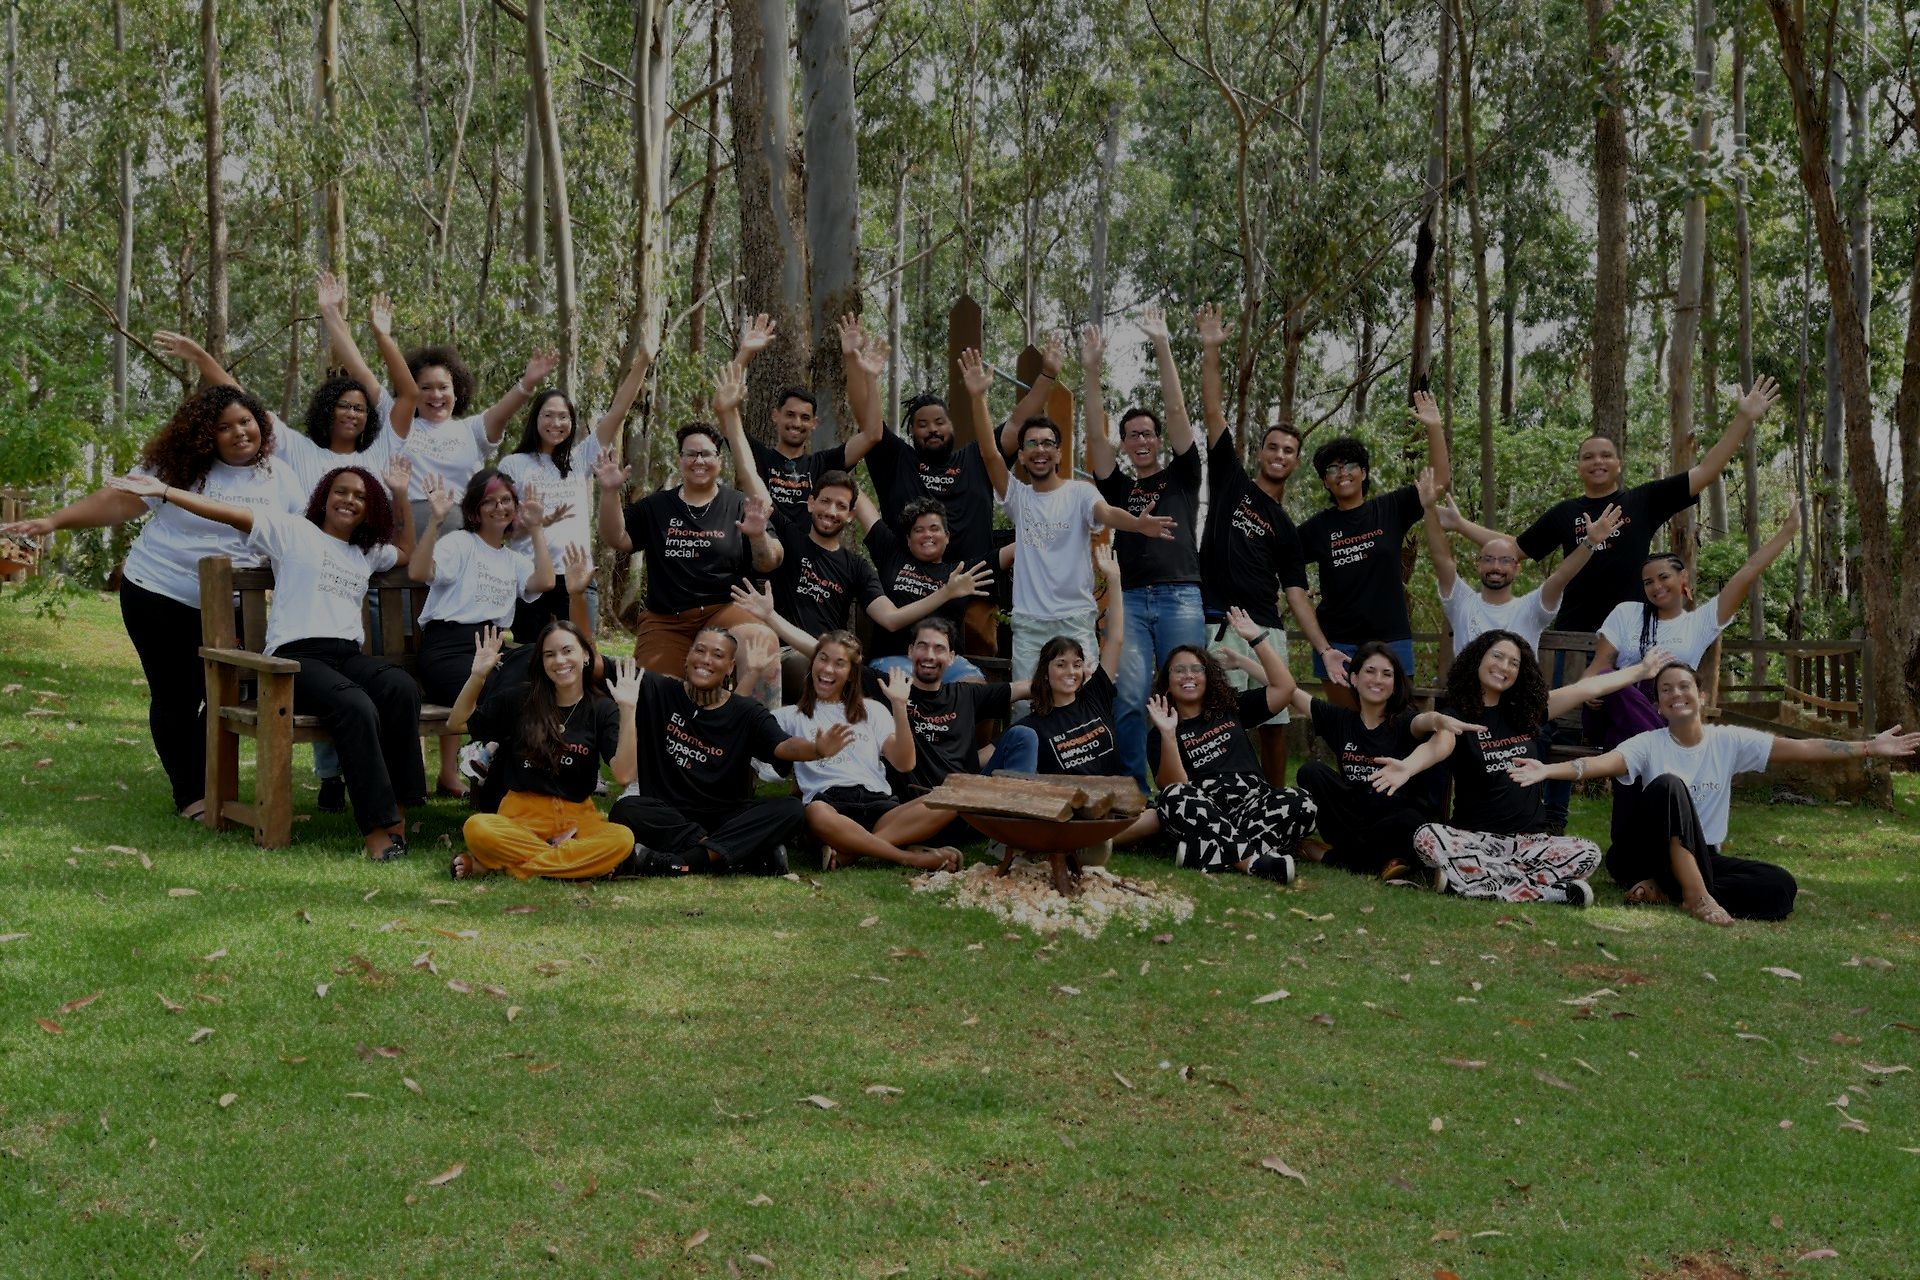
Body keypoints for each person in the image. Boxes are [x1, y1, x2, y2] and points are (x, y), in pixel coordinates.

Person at [1, 385, 310, 820]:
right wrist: (53, 521)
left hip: (237, 603)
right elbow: (116, 504)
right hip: (160, 592)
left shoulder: (280, 475)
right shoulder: (179, 468)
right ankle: (192, 797)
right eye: (224, 427)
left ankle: (213, 782)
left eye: (246, 421)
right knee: (177, 695)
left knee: (234, 693)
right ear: (205, 435)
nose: (240, 432)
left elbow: (300, 535)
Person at [109, 456, 424, 860]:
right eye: (340, 491)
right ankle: (378, 831)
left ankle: (397, 813)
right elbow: (230, 512)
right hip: (297, 661)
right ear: (324, 498)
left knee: (400, 687)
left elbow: (407, 551)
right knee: (355, 705)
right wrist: (165, 491)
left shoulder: (365, 553)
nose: (349, 500)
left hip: (346, 655)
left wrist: (398, 492)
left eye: (360, 496)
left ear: (370, 509)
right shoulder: (292, 531)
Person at [1511, 661, 1920, 924]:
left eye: (1684, 686)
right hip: (1641, 853)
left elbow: (1804, 747)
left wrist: (1869, 746)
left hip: (1702, 855)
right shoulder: (1648, 743)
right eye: (1666, 690)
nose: (1676, 694)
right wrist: (1547, 768)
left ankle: (1665, 889)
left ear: (1702, 696)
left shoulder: (1729, 741)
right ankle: (1696, 898)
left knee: (1780, 886)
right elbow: (1597, 765)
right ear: (1658, 707)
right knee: (1669, 786)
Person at [1446, 377, 1782, 634]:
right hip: (1573, 633)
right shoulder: (1565, 513)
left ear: (1618, 464)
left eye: (1606, 455)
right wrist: (1461, 524)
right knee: (1569, 725)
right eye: (1588, 457)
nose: (1598, 461)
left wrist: (1743, 419)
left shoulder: (1643, 500)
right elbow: (1511, 549)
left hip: (1631, 632)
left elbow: (1706, 471)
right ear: (1578, 467)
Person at [964, 345, 1175, 704]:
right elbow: (988, 453)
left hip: (1076, 620)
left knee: (1085, 708)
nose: (1040, 449)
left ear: (1059, 453)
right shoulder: (1018, 497)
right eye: (1031, 443)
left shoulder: (1079, 492)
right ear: (1024, 454)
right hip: (1030, 625)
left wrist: (1137, 525)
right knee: (1030, 711)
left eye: (1048, 443)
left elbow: (1107, 513)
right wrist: (978, 398)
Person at [1411, 632, 1678, 905]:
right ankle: (1544, 891)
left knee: (1588, 853)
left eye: (1514, 663)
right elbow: (1432, 743)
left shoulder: (1526, 712)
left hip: (1529, 844)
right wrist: (1408, 765)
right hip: (1475, 840)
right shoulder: (1455, 718)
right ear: (1477, 659)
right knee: (1427, 836)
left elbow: (1588, 689)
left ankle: (1475, 882)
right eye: (1497, 656)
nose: (1504, 666)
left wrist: (1642, 671)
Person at [317, 270, 560, 536]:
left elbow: (503, 412)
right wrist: (330, 311)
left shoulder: (471, 430)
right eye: (426, 388)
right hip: (404, 533)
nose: (436, 395)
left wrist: (527, 383)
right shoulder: (397, 420)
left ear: (457, 392)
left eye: (444, 388)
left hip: (460, 535)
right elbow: (358, 368)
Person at [1073, 311, 1208, 792]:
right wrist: (1091, 369)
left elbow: (1177, 414)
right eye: (1133, 434)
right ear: (1127, 444)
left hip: (1180, 599)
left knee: (1189, 693)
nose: (1142, 440)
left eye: (1148, 433)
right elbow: (1093, 437)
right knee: (1128, 698)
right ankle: (1135, 794)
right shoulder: (1118, 488)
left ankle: (1192, 789)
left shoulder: (1183, 477)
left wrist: (1163, 345)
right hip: (1130, 603)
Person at [864, 340, 1053, 658]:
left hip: (974, 592)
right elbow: (866, 421)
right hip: (908, 593)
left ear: (953, 426)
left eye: (939, 422)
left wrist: (1047, 374)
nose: (932, 429)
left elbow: (1019, 422)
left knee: (975, 675)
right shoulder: (898, 459)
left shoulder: (976, 457)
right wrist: (864, 372)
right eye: (922, 425)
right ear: (912, 432)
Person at [1194, 303, 1316, 788]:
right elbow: (1212, 411)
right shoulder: (1231, 481)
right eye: (1273, 447)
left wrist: (1323, 648)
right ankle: (1206, 791)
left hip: (1266, 630)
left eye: (1289, 451)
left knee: (1274, 722)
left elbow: (1296, 592)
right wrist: (1210, 351)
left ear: (1295, 461)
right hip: (1215, 621)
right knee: (1210, 713)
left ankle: (1274, 799)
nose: (1279, 455)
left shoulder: (1287, 529)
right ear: (1260, 451)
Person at [595, 366, 782, 676]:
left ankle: (753, 723)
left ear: (719, 462)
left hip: (725, 612)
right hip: (667, 621)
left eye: (707, 454)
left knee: (761, 643)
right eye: (691, 454)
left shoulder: (741, 504)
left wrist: (758, 535)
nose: (699, 461)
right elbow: (617, 538)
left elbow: (770, 561)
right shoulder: (656, 506)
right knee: (655, 690)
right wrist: (610, 492)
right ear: (680, 459)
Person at [1588, 498, 1802, 750]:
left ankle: (1656, 748)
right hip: (1610, 711)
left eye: (1663, 577)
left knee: (1623, 739)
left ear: (1683, 577)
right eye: (1648, 582)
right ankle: (1666, 748)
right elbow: (1599, 666)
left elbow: (1746, 573)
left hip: (1650, 721)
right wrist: (1590, 687)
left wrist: (1787, 531)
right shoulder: (1626, 613)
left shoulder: (1700, 622)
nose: (1656, 587)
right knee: (1608, 679)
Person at [606, 625, 818, 876]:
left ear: (730, 667)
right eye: (700, 650)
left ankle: (678, 862)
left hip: (727, 816)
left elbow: (782, 746)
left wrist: (817, 749)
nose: (706, 660)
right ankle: (744, 857)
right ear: (688, 656)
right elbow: (589, 663)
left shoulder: (747, 712)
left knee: (791, 811)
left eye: (717, 655)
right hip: (670, 814)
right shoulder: (658, 690)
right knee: (626, 810)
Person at [446, 623, 640, 879]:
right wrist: (478, 676)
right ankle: (575, 865)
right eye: (550, 654)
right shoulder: (522, 698)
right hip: (521, 816)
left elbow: (624, 775)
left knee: (622, 838)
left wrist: (628, 710)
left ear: (585, 656)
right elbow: (456, 723)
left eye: (567, 650)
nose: (559, 660)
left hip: (578, 818)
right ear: (542, 662)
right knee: (477, 827)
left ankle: (504, 866)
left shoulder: (601, 709)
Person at [1253, 640, 1459, 879]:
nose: (1377, 680)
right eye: (1370, 671)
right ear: (1354, 678)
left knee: (1411, 821)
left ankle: (1333, 857)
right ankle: (1383, 859)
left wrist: (1437, 719)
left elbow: (1425, 721)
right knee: (1312, 772)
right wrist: (1246, 658)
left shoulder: (1405, 722)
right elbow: (1287, 688)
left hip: (1393, 819)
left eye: (1386, 674)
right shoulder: (1340, 720)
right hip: (1353, 818)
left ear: (1394, 684)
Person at [1294, 390, 1451, 693]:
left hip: (1390, 638)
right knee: (1346, 734)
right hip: (1337, 642)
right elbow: (1281, 565)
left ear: (1363, 472)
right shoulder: (1315, 529)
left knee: (1395, 728)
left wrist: (1433, 426)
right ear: (1326, 481)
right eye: (1332, 469)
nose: (1342, 473)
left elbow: (1439, 481)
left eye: (1350, 465)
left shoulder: (1391, 509)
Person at [410, 469, 555, 794]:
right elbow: (419, 571)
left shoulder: (513, 560)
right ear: (475, 508)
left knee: (543, 662)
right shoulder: (460, 544)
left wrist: (536, 528)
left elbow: (545, 582)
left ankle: (496, 758)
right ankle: (490, 758)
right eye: (489, 500)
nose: (499, 507)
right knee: (513, 692)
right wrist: (435, 521)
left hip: (494, 650)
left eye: (506, 500)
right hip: (449, 651)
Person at [496, 343, 653, 639]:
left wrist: (643, 359)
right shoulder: (513, 464)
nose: (556, 423)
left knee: (583, 654)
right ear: (535, 419)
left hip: (576, 575)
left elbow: (618, 411)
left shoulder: (579, 459)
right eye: (548, 415)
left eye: (564, 417)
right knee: (532, 658)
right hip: (528, 575)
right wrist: (539, 523)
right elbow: (501, 526)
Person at [774, 630, 964, 871]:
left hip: (877, 806)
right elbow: (745, 724)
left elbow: (905, 763)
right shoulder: (790, 716)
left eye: (839, 663)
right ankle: (910, 858)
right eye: (823, 659)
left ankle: (850, 853)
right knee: (815, 813)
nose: (828, 669)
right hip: (829, 805)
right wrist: (754, 673)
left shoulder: (872, 710)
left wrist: (899, 706)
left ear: (852, 674)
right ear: (812, 664)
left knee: (949, 800)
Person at [1145, 620, 1317, 884]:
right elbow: (1173, 785)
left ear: (1208, 677)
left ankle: (1205, 852)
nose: (1188, 675)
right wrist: (1169, 734)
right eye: (1178, 670)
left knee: (1302, 802)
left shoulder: (1231, 707)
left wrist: (1256, 640)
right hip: (1203, 810)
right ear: (1167, 683)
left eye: (1196, 669)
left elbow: (1285, 688)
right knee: (1176, 795)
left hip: (1251, 803)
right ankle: (1253, 863)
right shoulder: (1160, 733)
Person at [1419, 468, 1621, 654]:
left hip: (1519, 692)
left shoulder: (1531, 608)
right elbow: (1441, 558)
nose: (1496, 566)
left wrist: (1591, 542)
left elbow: (1562, 575)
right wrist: (1429, 509)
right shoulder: (1461, 603)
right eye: (1489, 559)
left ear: (1517, 569)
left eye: (1505, 561)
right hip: (1469, 692)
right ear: (1478, 564)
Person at [727, 314, 885, 525]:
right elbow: (725, 406)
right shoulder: (758, 456)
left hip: (809, 554)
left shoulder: (822, 464)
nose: (797, 423)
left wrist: (856, 363)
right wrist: (745, 352)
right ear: (776, 416)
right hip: (767, 548)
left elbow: (872, 435)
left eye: (804, 418)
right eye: (790, 415)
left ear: (814, 423)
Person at [851, 493, 993, 683]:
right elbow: (865, 509)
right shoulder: (892, 555)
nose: (927, 535)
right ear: (909, 539)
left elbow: (1011, 553)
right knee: (908, 688)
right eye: (919, 530)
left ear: (947, 536)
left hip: (946, 663)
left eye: (934, 528)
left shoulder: (961, 572)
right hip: (895, 660)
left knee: (975, 685)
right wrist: (839, 475)